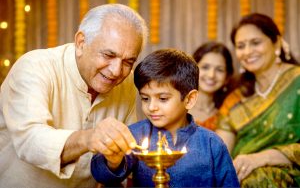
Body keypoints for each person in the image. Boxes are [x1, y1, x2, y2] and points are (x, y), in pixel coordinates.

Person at [0, 4, 148, 188]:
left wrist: (114, 161)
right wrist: (89, 138)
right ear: (80, 43)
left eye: (128, 61)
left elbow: (119, 164)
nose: (116, 71)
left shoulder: (127, 83)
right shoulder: (34, 66)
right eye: (108, 55)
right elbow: (30, 142)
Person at [91, 49, 240, 187]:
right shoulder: (135, 136)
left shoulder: (211, 143)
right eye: (145, 98)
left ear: (189, 99)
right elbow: (102, 176)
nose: (151, 107)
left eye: (162, 98)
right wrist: (113, 162)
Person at [215, 13, 300, 187]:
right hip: (240, 175)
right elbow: (220, 152)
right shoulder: (236, 98)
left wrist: (263, 158)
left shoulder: (297, 82)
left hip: (285, 175)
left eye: (255, 43)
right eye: (240, 46)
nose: (247, 52)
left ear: (276, 43)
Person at [189, 42, 234, 131]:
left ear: (227, 78)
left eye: (219, 70)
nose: (211, 75)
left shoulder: (227, 115)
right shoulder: (178, 109)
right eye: (205, 67)